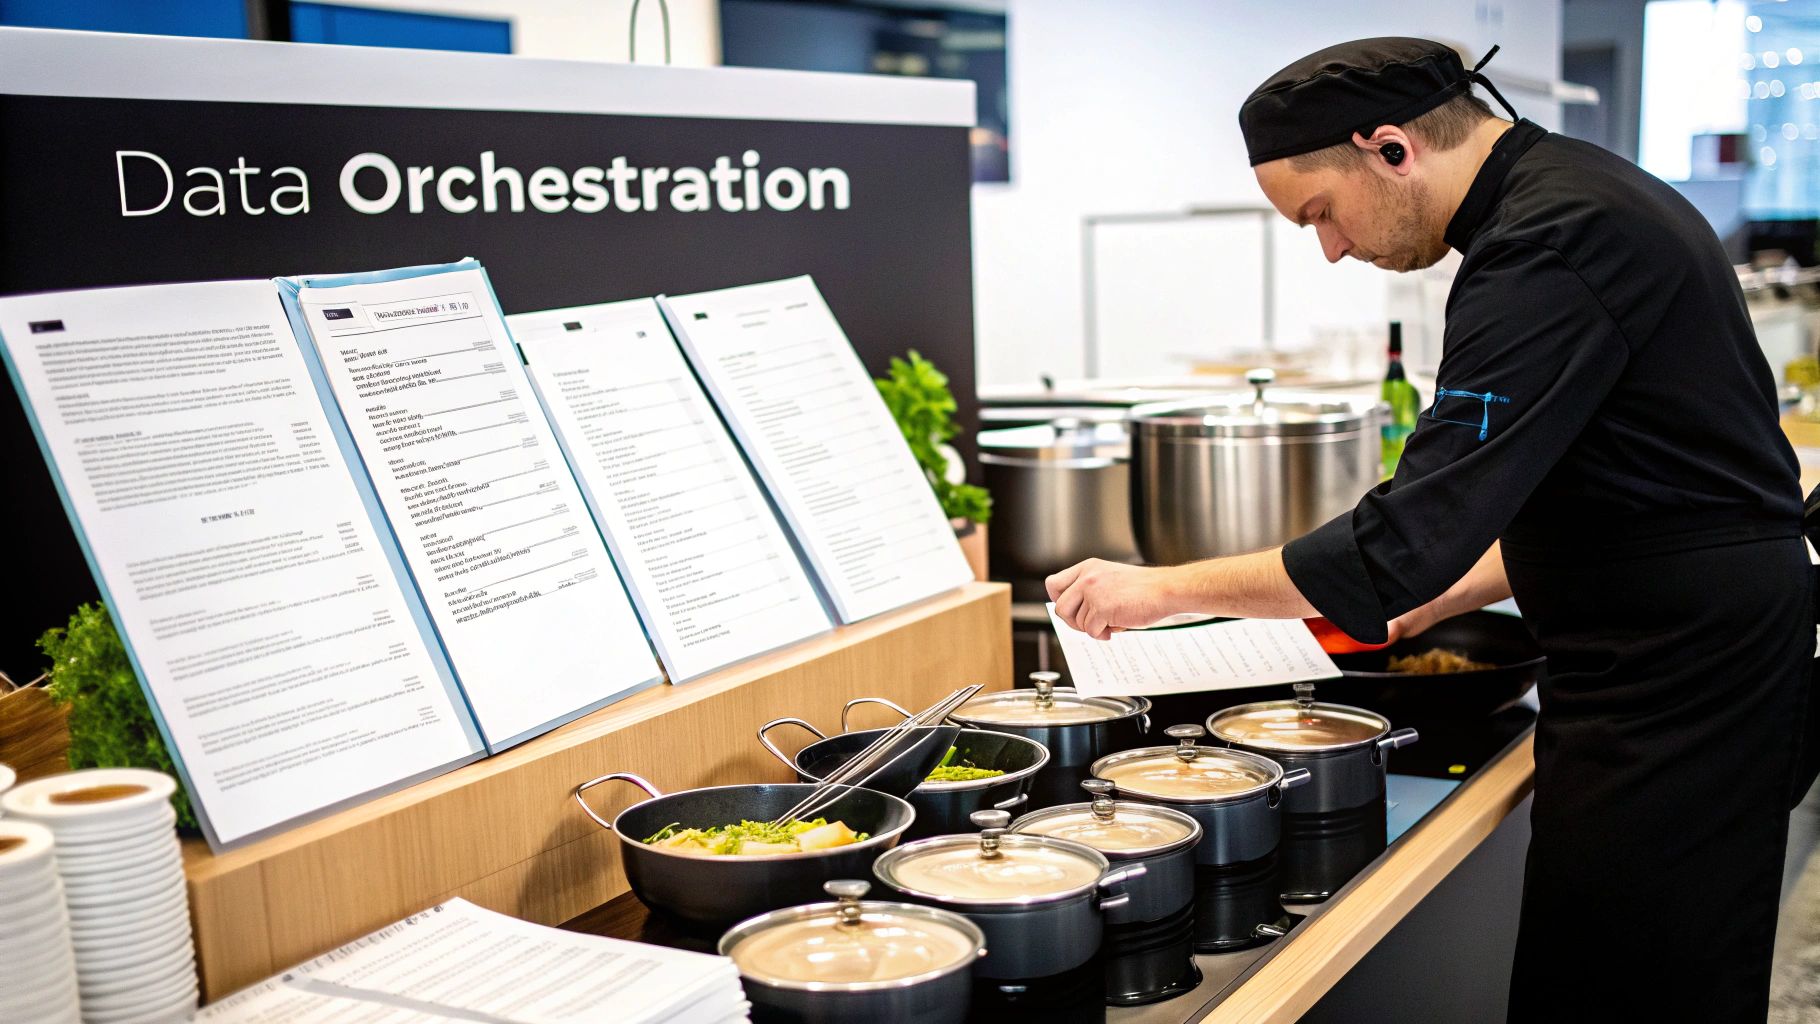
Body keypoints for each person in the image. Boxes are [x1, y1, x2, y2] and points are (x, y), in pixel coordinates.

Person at [1048, 37, 1812, 1021]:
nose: (1327, 247)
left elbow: (1400, 539)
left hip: (1679, 682)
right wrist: (1429, 600)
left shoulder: (1547, 245)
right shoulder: (1571, 196)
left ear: (1388, 148)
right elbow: (1593, 494)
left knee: (1626, 989)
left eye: (1319, 212)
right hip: (1679, 654)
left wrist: (1155, 589)